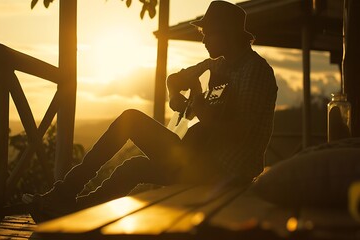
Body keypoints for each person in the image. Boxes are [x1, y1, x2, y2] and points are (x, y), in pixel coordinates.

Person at [24, 0, 278, 223]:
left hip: (225, 174)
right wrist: (176, 96)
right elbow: (174, 79)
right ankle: (71, 206)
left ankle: (64, 198)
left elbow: (241, 133)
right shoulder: (217, 64)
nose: (203, 39)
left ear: (227, 34)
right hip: (197, 158)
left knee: (132, 128)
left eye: (208, 33)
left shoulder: (255, 71)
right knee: (132, 159)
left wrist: (200, 106)